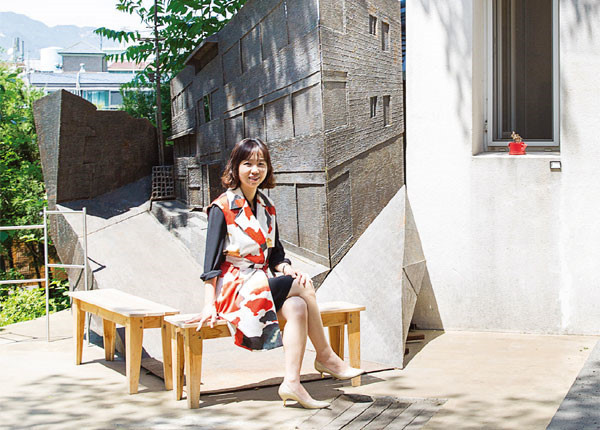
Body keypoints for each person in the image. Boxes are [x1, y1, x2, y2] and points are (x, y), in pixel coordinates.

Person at [187, 138, 364, 409]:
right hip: (234, 289)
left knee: (297, 306)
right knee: (303, 286)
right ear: (235, 167)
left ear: (267, 168)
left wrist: (286, 268)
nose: (254, 170)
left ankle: (292, 383)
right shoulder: (221, 207)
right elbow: (210, 263)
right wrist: (208, 304)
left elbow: (276, 256)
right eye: (247, 164)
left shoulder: (267, 206)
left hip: (259, 282)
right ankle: (326, 356)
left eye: (261, 164)